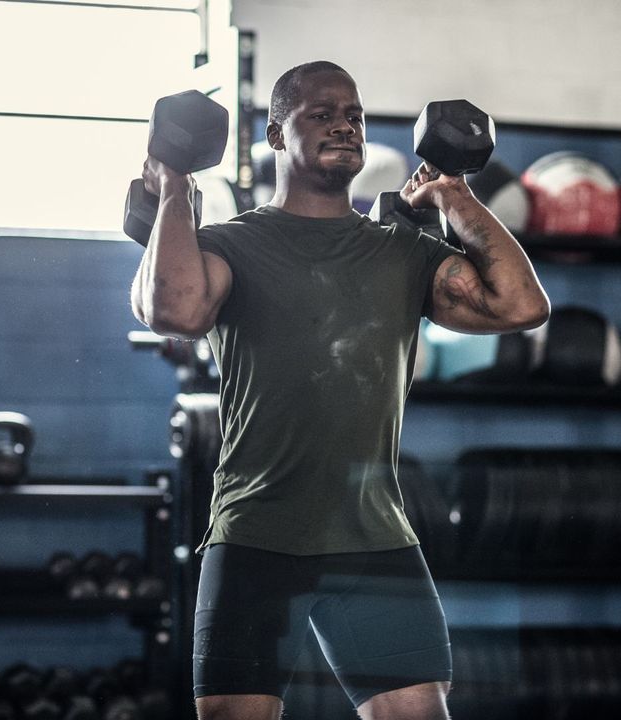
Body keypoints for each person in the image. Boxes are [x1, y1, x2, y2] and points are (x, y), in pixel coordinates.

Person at [130, 61, 550, 720]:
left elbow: (521, 305)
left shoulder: (401, 251)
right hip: (255, 534)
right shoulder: (231, 245)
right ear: (274, 133)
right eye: (320, 113)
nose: (344, 125)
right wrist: (174, 184)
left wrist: (454, 194)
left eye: (352, 114)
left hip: (375, 538)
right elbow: (175, 311)